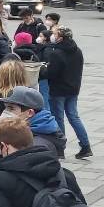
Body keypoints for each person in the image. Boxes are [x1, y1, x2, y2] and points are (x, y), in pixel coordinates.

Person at [40, 26, 88, 159]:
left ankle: (60, 148)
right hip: (73, 88)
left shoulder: (57, 53)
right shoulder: (77, 50)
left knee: (58, 118)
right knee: (74, 117)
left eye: (54, 34)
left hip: (59, 89)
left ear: (60, 38)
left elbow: (51, 73)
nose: (52, 36)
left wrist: (43, 70)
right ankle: (85, 145)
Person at [0, 86, 66, 158]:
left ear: (30, 113)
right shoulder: (24, 130)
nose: (5, 112)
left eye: (11, 108)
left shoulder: (36, 146)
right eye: (5, 107)